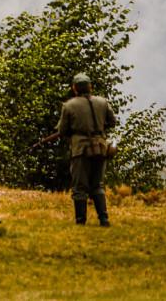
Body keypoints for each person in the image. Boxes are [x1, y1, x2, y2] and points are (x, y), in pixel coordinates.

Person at [56, 72, 116, 226]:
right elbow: (112, 122)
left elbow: (63, 130)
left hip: (80, 149)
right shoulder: (103, 102)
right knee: (97, 185)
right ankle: (104, 220)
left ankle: (81, 222)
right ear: (90, 87)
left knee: (80, 187)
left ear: (74, 89)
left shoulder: (69, 105)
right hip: (100, 147)